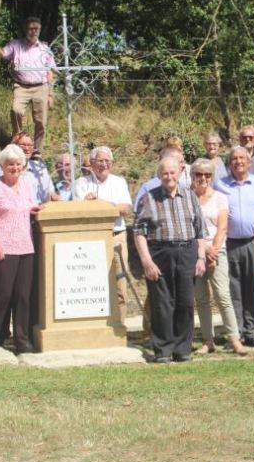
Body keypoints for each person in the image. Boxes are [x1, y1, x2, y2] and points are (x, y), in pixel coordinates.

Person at [135, 156, 207, 363]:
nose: (169, 177)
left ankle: (182, 349)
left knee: (185, 302)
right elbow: (139, 232)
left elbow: (200, 230)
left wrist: (201, 257)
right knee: (162, 303)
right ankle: (163, 350)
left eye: (172, 172)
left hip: (187, 251)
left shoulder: (190, 196)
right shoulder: (149, 198)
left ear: (180, 173)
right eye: (165, 173)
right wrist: (147, 261)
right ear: (159, 175)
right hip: (160, 253)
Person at [0, 145, 39, 354]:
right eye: (10, 164)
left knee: (23, 295)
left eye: (18, 164)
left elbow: (30, 208)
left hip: (25, 246)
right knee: (2, 294)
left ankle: (22, 340)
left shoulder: (26, 185)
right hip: (2, 246)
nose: (15, 167)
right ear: (2, 166)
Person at [216, 146, 254, 347]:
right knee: (233, 288)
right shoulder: (219, 185)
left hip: (253, 241)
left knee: (252, 288)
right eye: (234, 159)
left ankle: (252, 332)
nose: (238, 161)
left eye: (242, 158)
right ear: (229, 163)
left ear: (249, 162)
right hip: (229, 242)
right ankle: (236, 332)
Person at [190, 158, 247, 355]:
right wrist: (204, 249)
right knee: (201, 298)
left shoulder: (220, 198)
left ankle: (234, 339)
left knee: (223, 295)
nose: (203, 178)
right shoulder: (187, 198)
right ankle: (208, 341)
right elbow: (188, 227)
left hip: (217, 250)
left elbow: (222, 227)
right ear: (192, 176)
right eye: (199, 174)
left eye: (207, 175)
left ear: (212, 177)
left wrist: (212, 252)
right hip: (195, 251)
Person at [74, 146, 133, 323]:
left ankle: (120, 325)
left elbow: (126, 208)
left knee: (120, 284)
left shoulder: (119, 182)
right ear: (92, 163)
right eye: (100, 161)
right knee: (94, 285)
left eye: (108, 161)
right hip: (91, 238)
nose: (104, 164)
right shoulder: (81, 183)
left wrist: (101, 204)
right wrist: (91, 205)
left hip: (117, 237)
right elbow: (79, 210)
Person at [2, 17, 56, 153]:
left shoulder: (45, 48)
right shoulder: (15, 45)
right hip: (21, 86)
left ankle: (37, 151)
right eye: (30, 29)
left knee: (41, 122)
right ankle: (19, 143)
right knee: (16, 110)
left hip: (41, 87)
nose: (33, 31)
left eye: (36, 29)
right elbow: (2, 54)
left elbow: (50, 72)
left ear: (40, 29)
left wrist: (50, 94)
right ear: (25, 29)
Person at [0, 132, 54, 204]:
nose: (27, 148)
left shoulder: (39, 168)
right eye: (23, 145)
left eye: (30, 145)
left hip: (39, 209)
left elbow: (49, 193)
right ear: (14, 146)